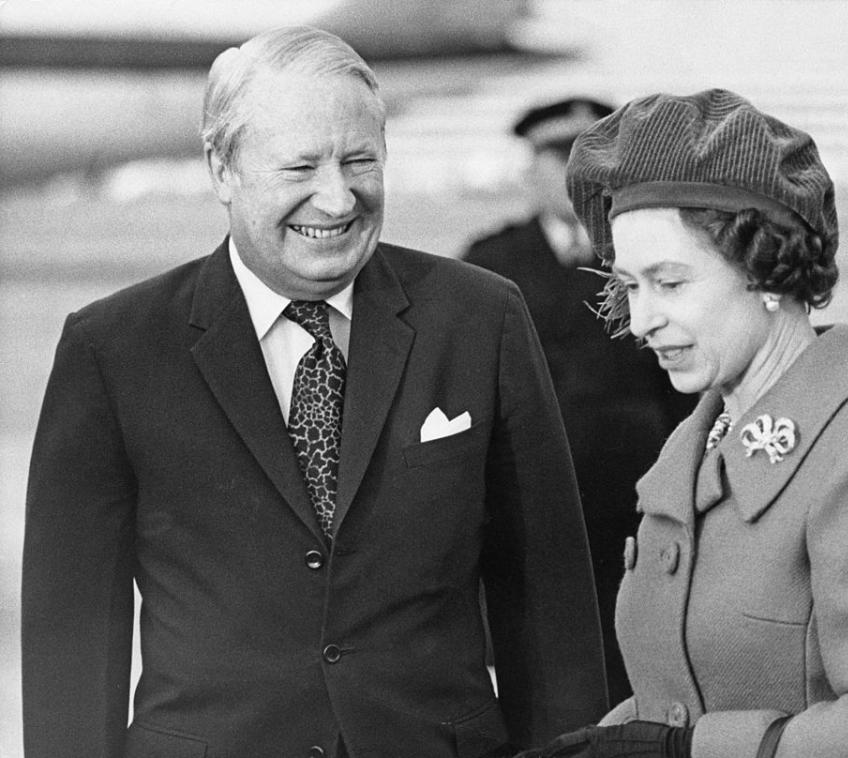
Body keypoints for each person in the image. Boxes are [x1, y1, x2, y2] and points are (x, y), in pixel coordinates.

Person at [20, 26, 609, 758]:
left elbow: (549, 610)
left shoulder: (481, 317)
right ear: (221, 168)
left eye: (359, 161)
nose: (336, 199)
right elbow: (70, 637)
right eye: (299, 167)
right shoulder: (112, 349)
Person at [517, 89, 848, 757]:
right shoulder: (695, 442)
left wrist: (685, 750)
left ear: (766, 268)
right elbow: (692, 686)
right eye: (630, 287)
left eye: (670, 284)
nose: (640, 322)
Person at [462, 99, 696, 703]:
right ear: (528, 170)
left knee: (639, 676)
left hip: (640, 506)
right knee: (543, 680)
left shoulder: (652, 259)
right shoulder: (490, 263)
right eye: (554, 155)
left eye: (586, 157)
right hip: (530, 510)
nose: (572, 174)